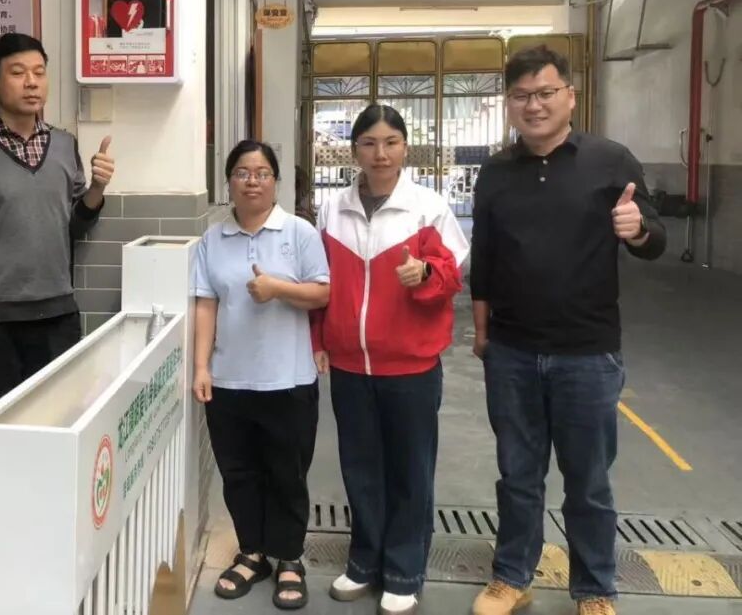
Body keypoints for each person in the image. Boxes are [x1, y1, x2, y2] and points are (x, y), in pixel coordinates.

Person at [469, 46, 666, 615]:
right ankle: (512, 578)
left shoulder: (610, 161)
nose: (534, 105)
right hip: (511, 350)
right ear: (509, 104)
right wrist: (482, 335)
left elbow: (655, 240)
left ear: (570, 97)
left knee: (588, 481)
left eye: (545, 93)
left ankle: (595, 589)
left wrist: (636, 229)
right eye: (521, 96)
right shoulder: (496, 172)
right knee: (518, 475)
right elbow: (485, 260)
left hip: (587, 354)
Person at [312, 104, 468, 615]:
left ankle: (404, 571)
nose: (380, 154)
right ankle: (364, 561)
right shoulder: (332, 209)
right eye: (369, 143)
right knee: (360, 468)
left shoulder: (427, 208)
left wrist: (425, 274)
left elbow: (452, 273)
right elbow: (320, 281)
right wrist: (319, 339)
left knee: (409, 470)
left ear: (405, 148)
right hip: (350, 366)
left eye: (391, 142)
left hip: (411, 367)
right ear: (354, 150)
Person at [0, 32, 114, 418]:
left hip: (57, 317)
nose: (31, 82)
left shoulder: (65, 145)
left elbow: (74, 227)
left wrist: (97, 188)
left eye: (39, 72)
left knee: (60, 428)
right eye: (18, 73)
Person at [192, 140, 330, 611]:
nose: (252, 181)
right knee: (239, 473)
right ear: (228, 181)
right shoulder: (213, 239)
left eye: (262, 173)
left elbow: (322, 293)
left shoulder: (299, 232)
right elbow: (206, 304)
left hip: (287, 380)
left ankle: (290, 558)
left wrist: (277, 288)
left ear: (276, 181)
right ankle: (251, 553)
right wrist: (202, 366)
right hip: (229, 380)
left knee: (287, 474)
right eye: (242, 172)